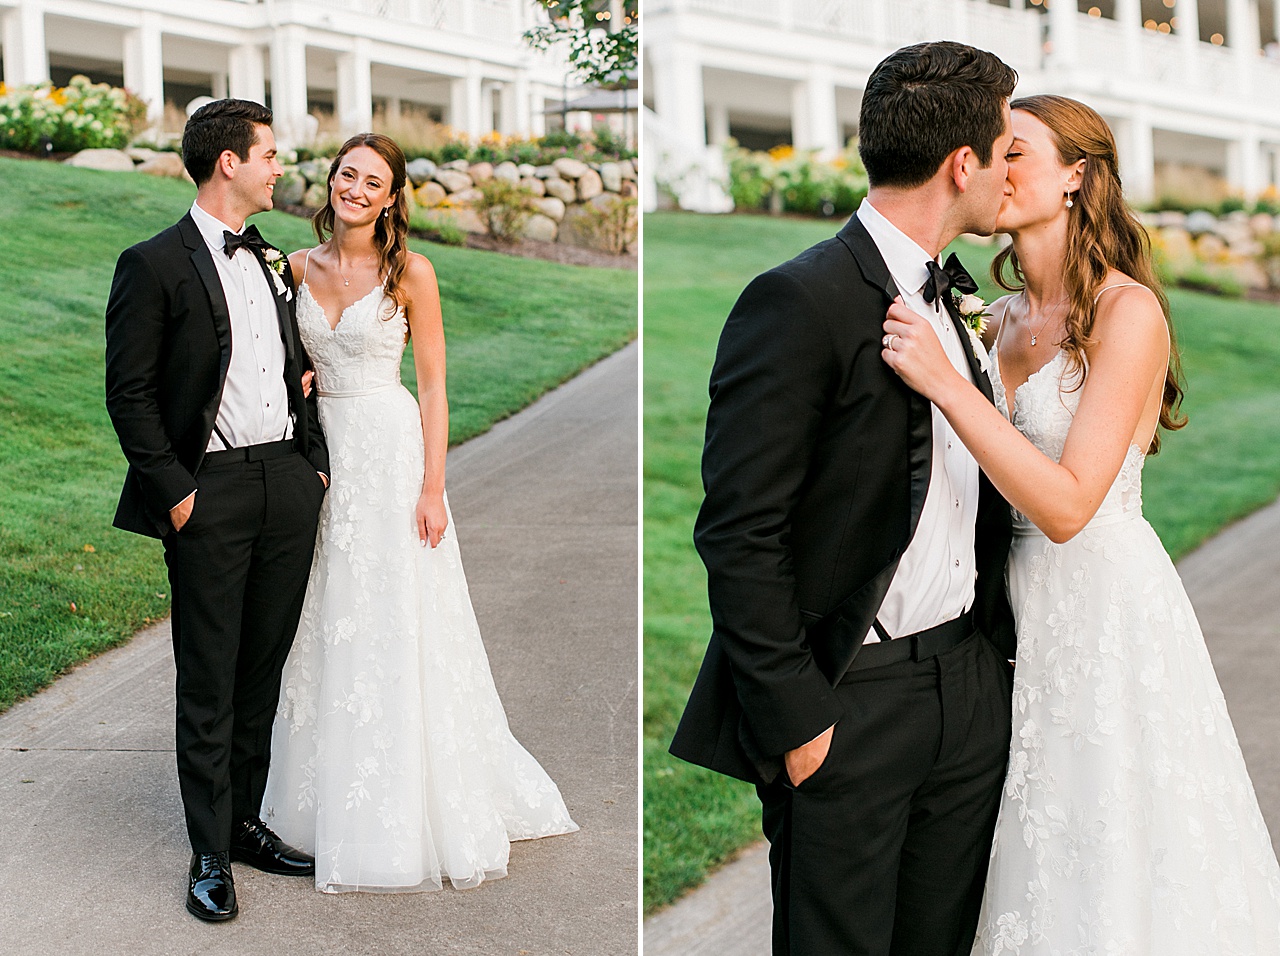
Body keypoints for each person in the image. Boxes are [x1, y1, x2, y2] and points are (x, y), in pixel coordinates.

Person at [880, 94, 1280, 953]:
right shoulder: (995, 319)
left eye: (1017, 151)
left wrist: (946, 386)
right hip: (996, 618)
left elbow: (1065, 506)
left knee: (1109, 837)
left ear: (1076, 176)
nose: (997, 166)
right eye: (993, 151)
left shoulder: (1127, 315)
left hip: (1102, 610)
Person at [669, 42, 1020, 955]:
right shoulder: (796, 300)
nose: (1010, 170)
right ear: (962, 163)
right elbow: (740, 532)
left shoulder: (955, 299)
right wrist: (799, 717)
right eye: (1005, 148)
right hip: (850, 706)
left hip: (966, 691)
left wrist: (985, 677)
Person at [259, 132, 577, 894]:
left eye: (374, 181)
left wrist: (433, 486)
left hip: (392, 456)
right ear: (329, 182)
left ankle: (410, 797)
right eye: (347, 175)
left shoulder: (412, 274)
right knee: (325, 613)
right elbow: (280, 364)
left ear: (393, 197)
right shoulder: (295, 270)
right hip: (320, 458)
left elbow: (434, 389)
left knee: (397, 616)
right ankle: (311, 797)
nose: (357, 190)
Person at [104, 99, 327, 923]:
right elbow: (128, 396)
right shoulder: (152, 263)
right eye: (269, 154)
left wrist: (315, 466)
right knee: (210, 675)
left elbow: (291, 365)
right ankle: (207, 850)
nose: (279, 166)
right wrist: (179, 493)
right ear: (227, 162)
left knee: (261, 667)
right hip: (212, 494)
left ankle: (243, 824)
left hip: (287, 487)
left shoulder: (268, 257)